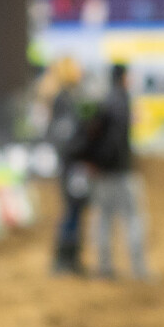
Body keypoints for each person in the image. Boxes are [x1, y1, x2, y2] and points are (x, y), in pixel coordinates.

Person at [85, 63, 150, 281]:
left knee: (103, 219)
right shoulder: (122, 101)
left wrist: (97, 163)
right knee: (132, 219)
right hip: (121, 171)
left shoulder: (103, 102)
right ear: (123, 78)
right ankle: (138, 269)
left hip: (103, 173)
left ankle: (104, 267)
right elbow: (115, 140)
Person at [41, 56, 94, 275]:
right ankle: (64, 261)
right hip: (72, 166)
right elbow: (66, 135)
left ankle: (69, 260)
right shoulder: (65, 99)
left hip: (71, 164)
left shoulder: (65, 98)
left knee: (74, 211)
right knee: (71, 212)